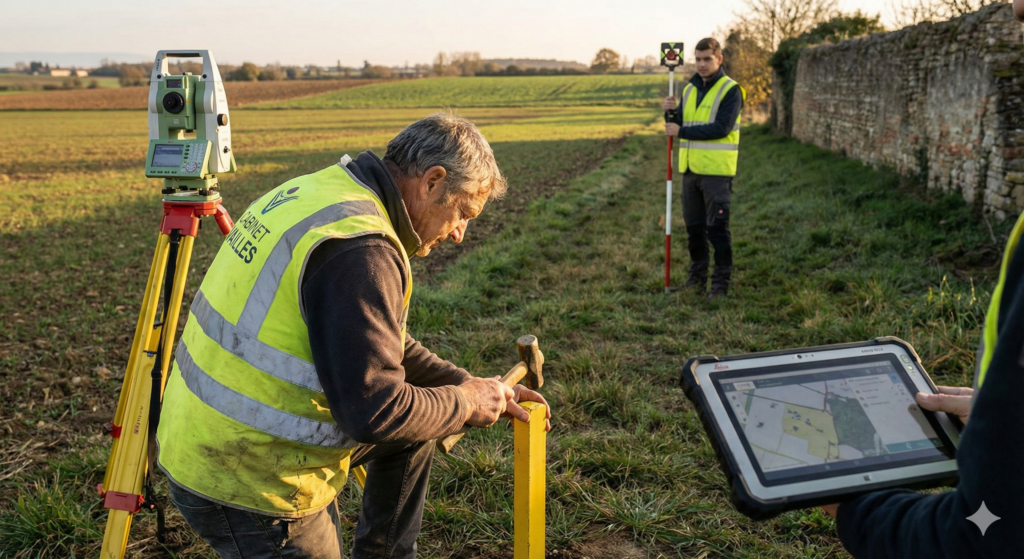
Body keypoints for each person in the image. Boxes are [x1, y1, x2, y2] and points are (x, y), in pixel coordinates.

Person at [155, 113, 551, 559]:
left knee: (421, 422)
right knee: (412, 414)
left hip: (205, 435)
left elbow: (382, 348)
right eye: (463, 213)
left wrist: (461, 384)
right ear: (433, 182)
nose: (460, 233)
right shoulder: (361, 250)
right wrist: (466, 404)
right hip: (251, 477)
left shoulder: (324, 191)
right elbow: (375, 411)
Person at [662, 37, 745, 299]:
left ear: (719, 59)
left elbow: (721, 128)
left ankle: (720, 284)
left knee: (717, 229)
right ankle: (696, 279)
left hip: (717, 174)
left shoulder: (731, 90)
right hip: (690, 172)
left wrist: (681, 129)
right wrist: (670, 113)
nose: (701, 64)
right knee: (694, 229)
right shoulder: (688, 89)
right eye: (697, 59)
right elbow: (678, 123)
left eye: (707, 58)